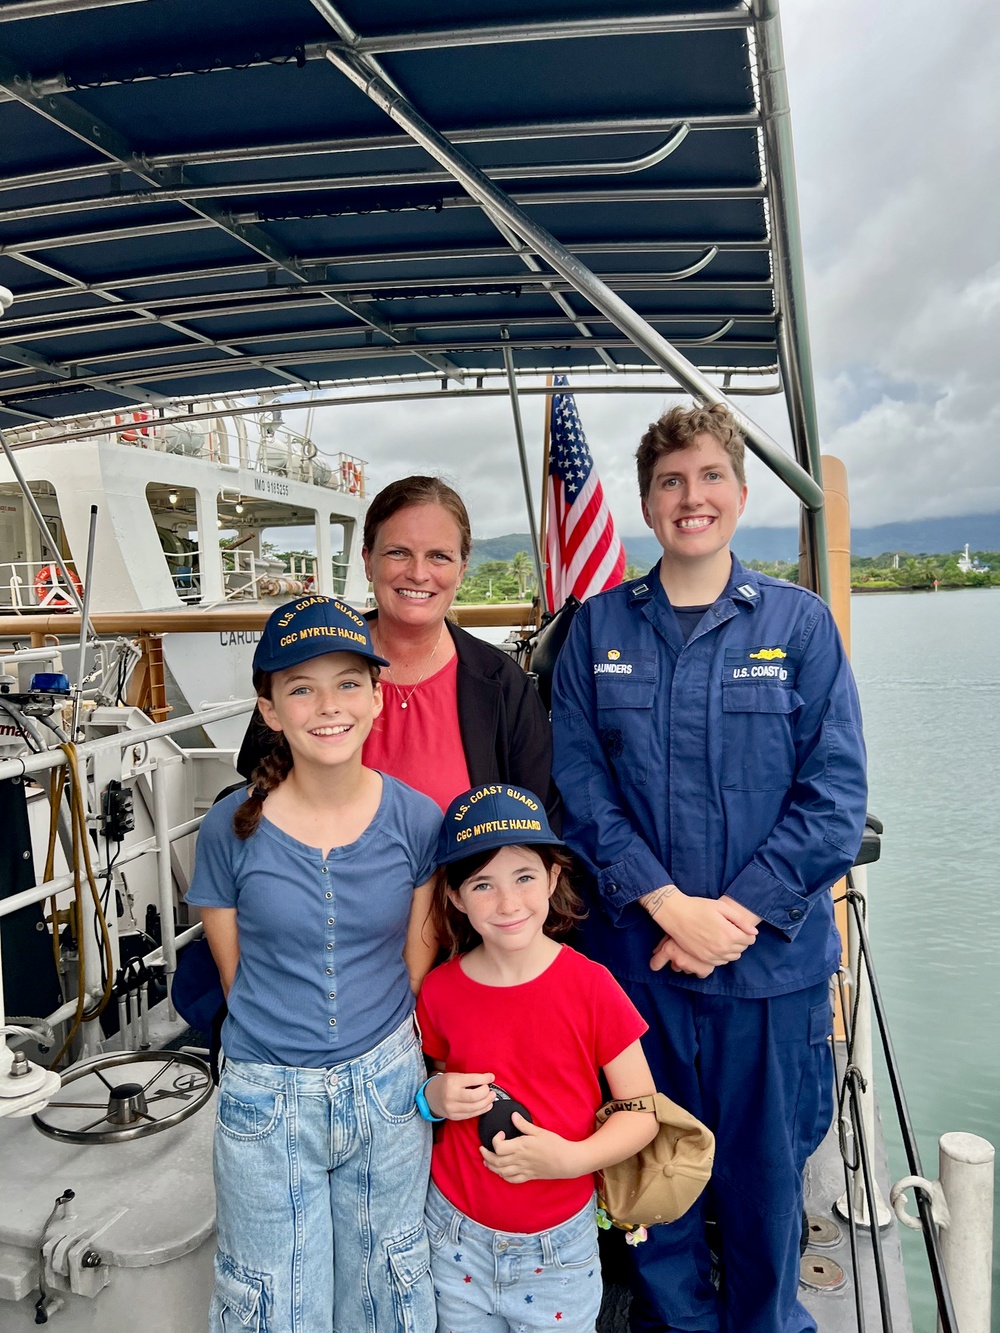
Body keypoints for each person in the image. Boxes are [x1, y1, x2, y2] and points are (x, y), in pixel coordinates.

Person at [550, 403, 867, 1333]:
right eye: (671, 481)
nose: (692, 497)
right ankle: (679, 1322)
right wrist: (665, 904)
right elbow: (579, 788)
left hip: (767, 972)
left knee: (767, 1180)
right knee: (654, 1171)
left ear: (739, 491)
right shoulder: (597, 630)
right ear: (648, 503)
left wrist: (730, 918)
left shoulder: (800, 627)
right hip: (638, 969)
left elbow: (835, 798)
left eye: (709, 476)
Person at [186, 595, 441, 1333]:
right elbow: (235, 976)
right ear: (269, 709)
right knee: (268, 1297)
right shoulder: (228, 829)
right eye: (301, 688)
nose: (328, 706)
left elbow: (415, 965)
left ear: (377, 697)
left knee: (388, 1286)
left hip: (388, 1090)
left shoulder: (417, 819)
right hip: (266, 1097)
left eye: (348, 683)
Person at [415, 782, 659, 1333]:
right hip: (453, 1236)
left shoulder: (592, 987)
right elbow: (433, 1088)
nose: (508, 904)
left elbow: (642, 1113)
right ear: (455, 896)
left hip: (558, 1248)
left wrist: (573, 1159)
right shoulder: (439, 990)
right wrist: (433, 1097)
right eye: (483, 884)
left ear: (552, 878)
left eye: (524, 877)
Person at [237, 475, 556, 816]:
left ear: (461, 570)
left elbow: (539, 817)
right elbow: (257, 787)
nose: (418, 573)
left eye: (438, 556)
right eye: (398, 553)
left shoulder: (504, 684)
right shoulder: (304, 659)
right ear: (367, 560)